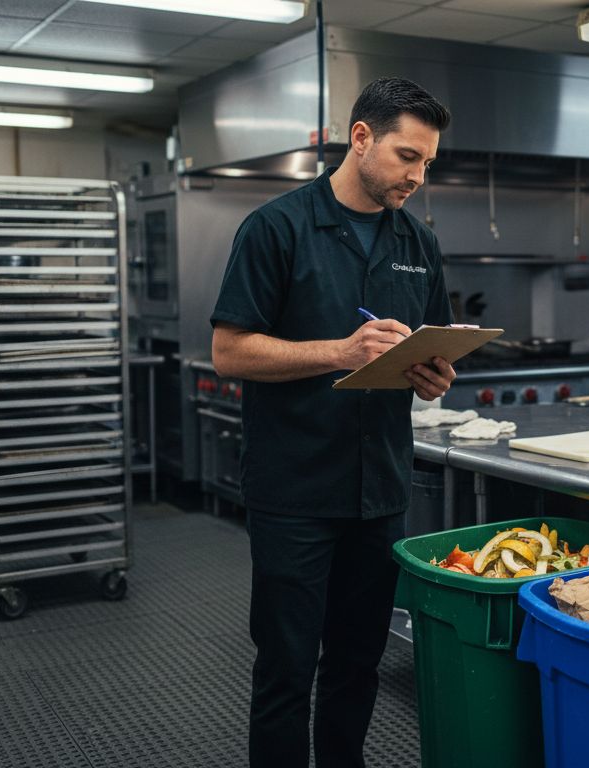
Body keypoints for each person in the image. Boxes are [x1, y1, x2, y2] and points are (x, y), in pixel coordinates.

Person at [209, 77, 456, 767]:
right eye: (408, 156)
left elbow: (426, 349)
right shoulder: (277, 227)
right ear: (360, 138)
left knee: (357, 664)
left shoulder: (418, 243)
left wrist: (433, 375)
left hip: (378, 489)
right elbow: (229, 350)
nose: (418, 175)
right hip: (295, 491)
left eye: (427, 163)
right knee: (286, 668)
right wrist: (340, 353)